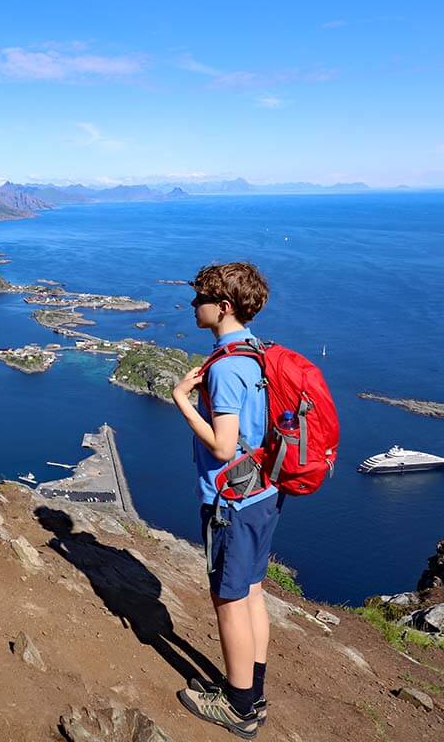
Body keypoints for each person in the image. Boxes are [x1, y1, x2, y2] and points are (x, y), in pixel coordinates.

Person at [170, 261, 279, 740]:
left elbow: (221, 444)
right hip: (264, 492)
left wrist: (181, 400)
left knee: (229, 599)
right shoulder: (257, 352)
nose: (194, 306)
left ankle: (237, 708)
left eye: (200, 299)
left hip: (230, 501)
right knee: (252, 591)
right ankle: (251, 692)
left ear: (223, 307)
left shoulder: (228, 367)